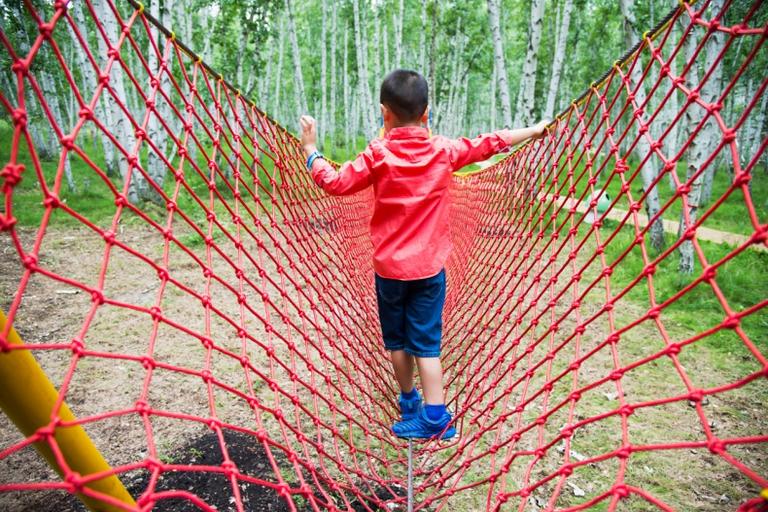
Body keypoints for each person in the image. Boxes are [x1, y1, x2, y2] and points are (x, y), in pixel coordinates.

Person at [299, 69, 548, 440]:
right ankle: (431, 411)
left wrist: (311, 151)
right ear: (427, 113)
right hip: (430, 270)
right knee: (427, 345)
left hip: (389, 270)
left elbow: (336, 183)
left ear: (384, 114)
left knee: (397, 342)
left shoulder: (377, 154)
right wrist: (533, 130)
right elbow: (489, 142)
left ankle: (417, 407)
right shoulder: (442, 150)